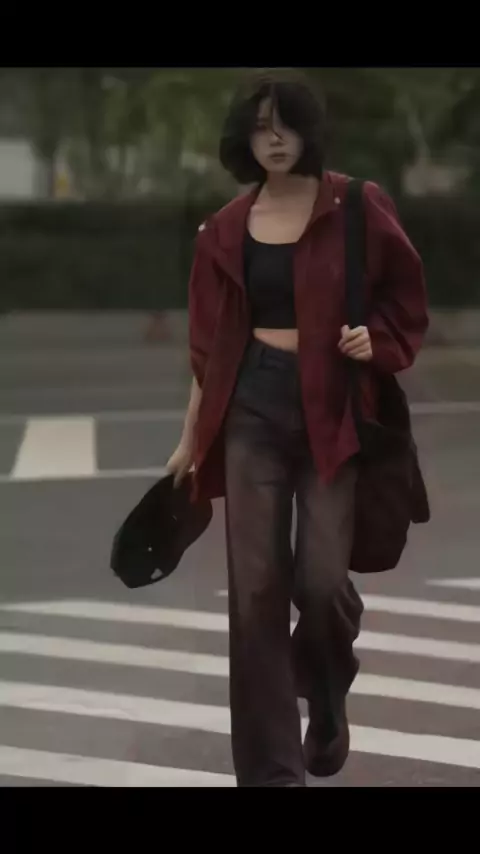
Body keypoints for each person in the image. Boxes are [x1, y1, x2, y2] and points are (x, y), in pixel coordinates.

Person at [166, 68, 429, 787]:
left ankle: (327, 681)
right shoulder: (225, 229)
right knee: (255, 591)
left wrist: (376, 340)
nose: (274, 138)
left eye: (284, 123)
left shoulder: (356, 205)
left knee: (319, 580)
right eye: (260, 127)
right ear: (243, 139)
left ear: (308, 129)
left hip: (332, 409)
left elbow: (406, 297)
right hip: (251, 407)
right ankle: (270, 773)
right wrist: (189, 440)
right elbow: (208, 350)